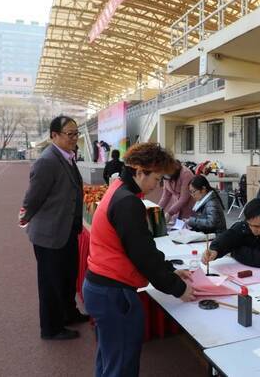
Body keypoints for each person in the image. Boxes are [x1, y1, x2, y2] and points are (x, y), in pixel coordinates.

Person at [83, 143, 195, 377]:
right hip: (114, 292)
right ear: (140, 171)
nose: (157, 185)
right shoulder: (127, 202)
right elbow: (142, 254)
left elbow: (142, 247)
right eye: (156, 178)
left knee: (110, 358)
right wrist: (177, 287)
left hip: (102, 288)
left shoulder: (120, 189)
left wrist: (169, 271)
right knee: (121, 364)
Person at [20, 116, 89, 341]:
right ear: (54, 136)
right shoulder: (47, 161)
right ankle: (50, 328)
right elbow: (32, 198)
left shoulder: (68, 157)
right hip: (49, 234)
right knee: (51, 283)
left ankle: (69, 313)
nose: (74, 138)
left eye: (76, 133)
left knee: (68, 276)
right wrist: (27, 219)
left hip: (67, 229)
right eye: (69, 134)